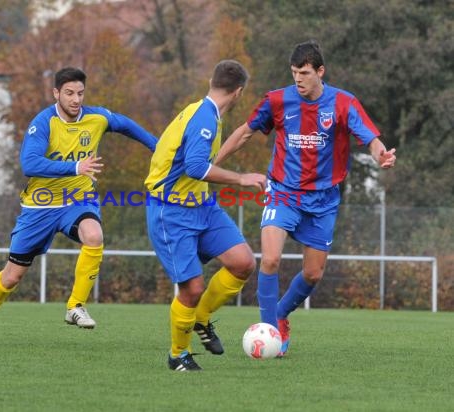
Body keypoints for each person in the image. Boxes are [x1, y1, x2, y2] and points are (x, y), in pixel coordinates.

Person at [216, 40, 397, 357]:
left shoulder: (343, 103)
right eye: (294, 72)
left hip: (323, 201)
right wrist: (212, 164)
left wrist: (381, 155)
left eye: (304, 72)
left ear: (320, 71)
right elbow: (245, 132)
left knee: (313, 274)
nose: (298, 78)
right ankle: (268, 332)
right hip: (283, 192)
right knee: (270, 259)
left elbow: (371, 139)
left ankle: (281, 316)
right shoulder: (277, 101)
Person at [0, 67, 157, 348]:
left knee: (94, 235)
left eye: (80, 93)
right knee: (11, 278)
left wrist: (157, 145)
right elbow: (30, 164)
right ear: (56, 93)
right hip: (39, 208)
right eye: (69, 93)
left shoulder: (96, 118)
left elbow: (125, 124)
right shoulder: (43, 123)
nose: (76, 99)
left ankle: (75, 306)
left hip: (78, 201)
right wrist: (75, 166)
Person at [144, 60, 266, 371]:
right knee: (192, 289)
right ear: (238, 93)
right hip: (170, 211)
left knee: (243, 262)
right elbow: (196, 167)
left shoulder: (205, 112)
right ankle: (178, 355)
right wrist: (241, 179)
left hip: (201, 205)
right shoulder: (204, 119)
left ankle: (202, 317)